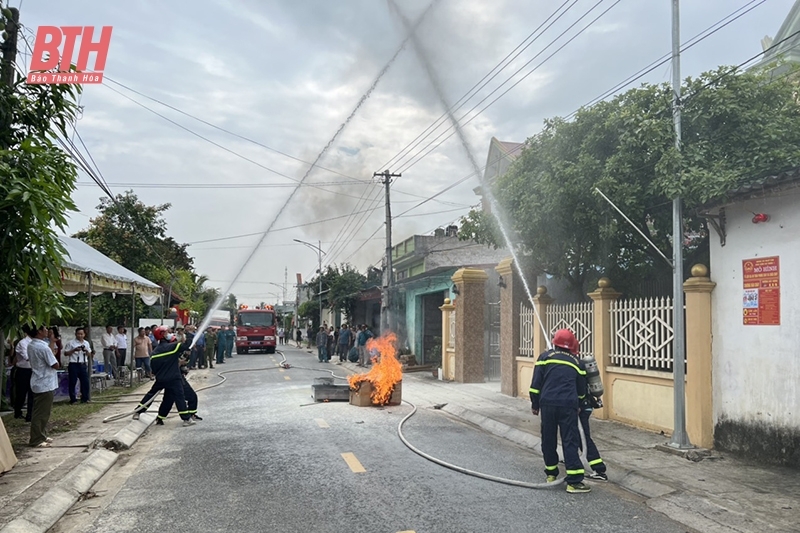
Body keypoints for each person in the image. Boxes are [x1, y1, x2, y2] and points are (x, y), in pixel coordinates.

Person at [529, 328, 590, 494]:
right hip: (568, 405)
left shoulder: (544, 357)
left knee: (548, 439)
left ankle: (551, 474)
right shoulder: (578, 362)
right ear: (572, 345)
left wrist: (535, 404)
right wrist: (579, 404)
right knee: (569, 440)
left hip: (547, 404)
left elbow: (536, 385)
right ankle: (574, 482)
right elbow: (582, 390)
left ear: (555, 342)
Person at [132, 326, 195, 427]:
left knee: (152, 395)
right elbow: (187, 345)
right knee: (179, 397)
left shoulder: (155, 352)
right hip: (174, 378)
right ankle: (186, 419)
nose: (170, 334)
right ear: (162, 335)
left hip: (161, 379)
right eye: (167, 332)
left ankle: (138, 411)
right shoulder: (172, 347)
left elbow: (154, 369)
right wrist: (189, 333)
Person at [27, 324, 60, 447]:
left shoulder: (32, 345)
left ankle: (42, 434)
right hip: (44, 382)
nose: (47, 331)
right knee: (41, 413)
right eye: (45, 329)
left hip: (38, 380)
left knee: (43, 411)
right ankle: (36, 439)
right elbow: (55, 364)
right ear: (39, 332)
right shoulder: (42, 347)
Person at [64, 327, 91, 404]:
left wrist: (86, 351)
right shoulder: (71, 343)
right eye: (78, 334)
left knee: (85, 382)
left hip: (83, 364)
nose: (80, 335)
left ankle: (85, 398)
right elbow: (66, 353)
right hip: (74, 364)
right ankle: (73, 399)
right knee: (73, 382)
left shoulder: (86, 343)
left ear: (84, 334)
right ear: (75, 334)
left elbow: (89, 354)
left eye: (81, 334)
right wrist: (74, 350)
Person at [13, 325, 34, 421]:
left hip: (33, 370)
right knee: (21, 393)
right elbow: (27, 356)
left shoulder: (36, 342)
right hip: (23, 370)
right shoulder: (23, 343)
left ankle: (30, 414)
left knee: (32, 393)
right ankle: (17, 412)